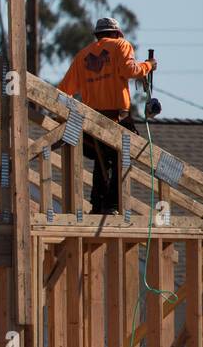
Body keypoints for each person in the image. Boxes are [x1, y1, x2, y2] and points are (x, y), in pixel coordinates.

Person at [56, 17, 156, 214]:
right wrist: (148, 65)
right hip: (117, 117)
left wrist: (64, 118)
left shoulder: (83, 56)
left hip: (91, 119)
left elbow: (63, 90)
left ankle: (97, 205)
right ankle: (111, 205)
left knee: (103, 160)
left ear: (97, 35)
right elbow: (129, 70)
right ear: (117, 33)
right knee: (121, 157)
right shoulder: (121, 45)